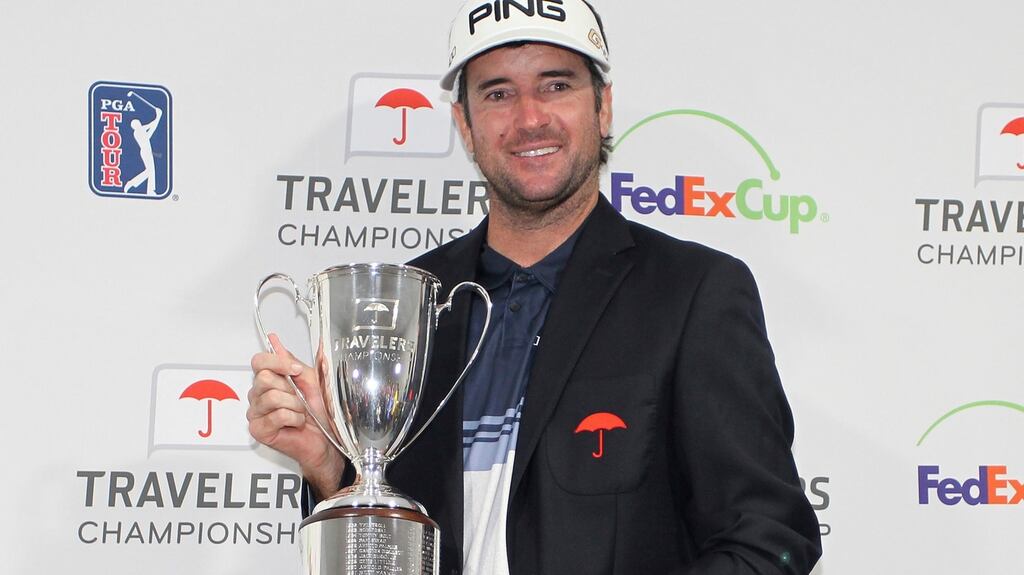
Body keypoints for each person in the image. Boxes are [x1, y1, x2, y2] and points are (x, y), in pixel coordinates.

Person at [248, 1, 822, 573]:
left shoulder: (692, 292)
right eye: (498, 93)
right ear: (465, 125)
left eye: (556, 86)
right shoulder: (412, 304)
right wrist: (333, 470)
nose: (529, 118)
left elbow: (769, 541)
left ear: (602, 107)